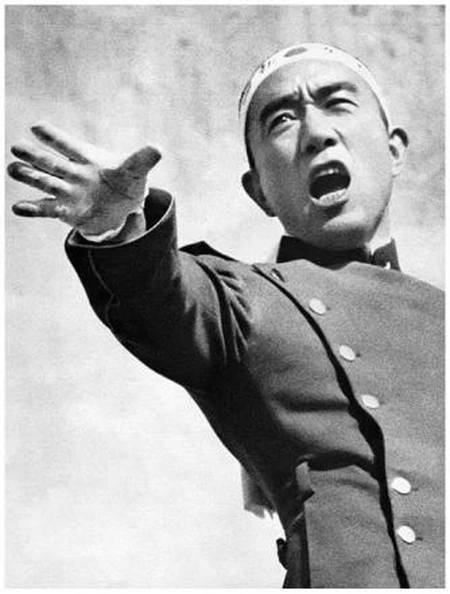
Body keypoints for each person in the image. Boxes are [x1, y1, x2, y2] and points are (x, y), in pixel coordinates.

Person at [8, 43, 444, 588]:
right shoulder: (240, 300)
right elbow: (159, 295)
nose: (316, 133)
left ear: (394, 149)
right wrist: (117, 227)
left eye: (337, 103)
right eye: (282, 120)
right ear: (259, 191)